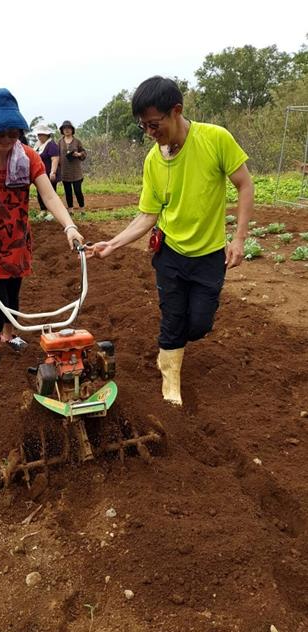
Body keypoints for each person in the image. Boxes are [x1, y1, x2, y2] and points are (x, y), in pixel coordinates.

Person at [91, 76, 254, 407]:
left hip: (209, 255)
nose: (150, 133)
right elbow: (148, 215)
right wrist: (112, 244)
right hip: (169, 253)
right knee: (173, 318)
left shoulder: (215, 139)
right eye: (144, 127)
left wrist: (238, 238)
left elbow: (245, 185)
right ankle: (170, 380)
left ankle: (172, 352)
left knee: (199, 324)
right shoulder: (153, 160)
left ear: (175, 111)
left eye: (154, 124)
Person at [0, 88, 83, 370]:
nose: (7, 140)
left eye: (13, 134)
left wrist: (69, 227)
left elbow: (49, 196)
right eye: (1, 134)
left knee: (13, 296)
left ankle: (9, 335)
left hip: (15, 241)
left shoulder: (27, 157)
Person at [58, 120, 86, 214]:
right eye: (64, 128)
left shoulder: (77, 141)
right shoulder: (60, 142)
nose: (66, 130)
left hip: (76, 171)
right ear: (62, 130)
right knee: (68, 191)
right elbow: (57, 156)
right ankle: (70, 209)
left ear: (72, 130)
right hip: (64, 171)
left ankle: (82, 208)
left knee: (78, 191)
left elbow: (84, 153)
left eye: (68, 128)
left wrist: (78, 154)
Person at [33, 122, 60, 219]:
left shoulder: (51, 145)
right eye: (38, 134)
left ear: (47, 134)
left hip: (49, 173)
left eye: (41, 134)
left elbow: (55, 159)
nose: (39, 136)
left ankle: (53, 213)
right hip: (39, 174)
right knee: (40, 192)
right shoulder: (38, 145)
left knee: (51, 193)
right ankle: (43, 210)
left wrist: (53, 172)